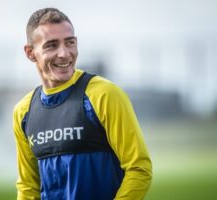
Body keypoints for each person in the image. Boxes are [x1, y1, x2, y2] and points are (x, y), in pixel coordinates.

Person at [13, 7, 152, 200]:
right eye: (51, 45)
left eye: (69, 43)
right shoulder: (23, 111)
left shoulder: (105, 95)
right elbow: (28, 187)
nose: (64, 53)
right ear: (30, 52)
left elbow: (139, 168)